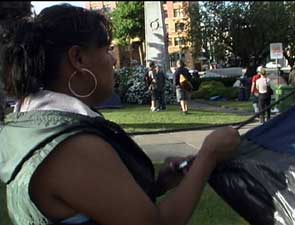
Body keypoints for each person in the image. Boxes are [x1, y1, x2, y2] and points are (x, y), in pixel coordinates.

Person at [0, 4, 240, 225]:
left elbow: (93, 204)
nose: (113, 59)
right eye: (106, 49)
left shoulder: (30, 124)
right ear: (78, 58)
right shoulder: (72, 147)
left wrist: (157, 185)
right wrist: (209, 155)